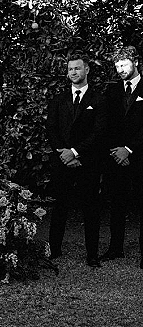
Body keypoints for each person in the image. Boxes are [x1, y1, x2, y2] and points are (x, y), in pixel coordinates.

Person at [46, 53, 106, 268]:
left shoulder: (98, 99)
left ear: (87, 70)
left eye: (77, 69)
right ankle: (54, 249)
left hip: (86, 162)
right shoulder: (58, 99)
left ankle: (92, 255)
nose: (73, 73)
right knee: (59, 206)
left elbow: (99, 132)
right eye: (70, 69)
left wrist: (75, 152)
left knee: (91, 208)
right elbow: (51, 129)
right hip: (63, 161)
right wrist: (64, 153)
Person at [101, 45, 143, 267]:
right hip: (116, 158)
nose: (120, 69)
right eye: (117, 66)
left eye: (124, 64)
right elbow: (107, 125)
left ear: (135, 62)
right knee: (117, 203)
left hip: (140, 156)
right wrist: (118, 150)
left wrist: (129, 149)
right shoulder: (113, 91)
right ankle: (115, 248)